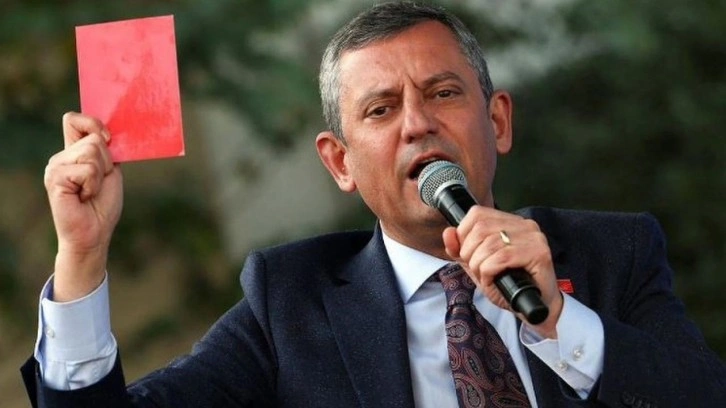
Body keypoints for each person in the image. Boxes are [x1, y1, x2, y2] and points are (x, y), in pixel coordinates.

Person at [21, 2, 726, 407]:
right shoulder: (290, 305)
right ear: (340, 162)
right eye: (382, 109)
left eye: (443, 93)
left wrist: (558, 321)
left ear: (499, 122)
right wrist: (82, 256)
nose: (418, 124)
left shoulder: (615, 253)